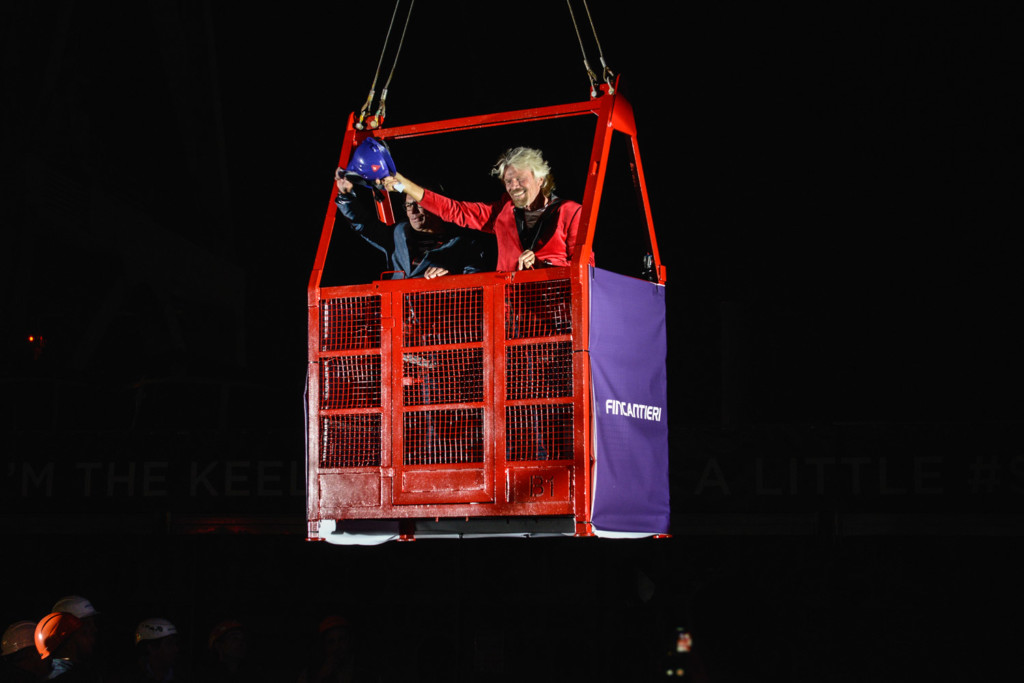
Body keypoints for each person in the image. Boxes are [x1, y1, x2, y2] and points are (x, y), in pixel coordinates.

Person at [383, 146, 592, 272]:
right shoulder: (503, 212)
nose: (514, 186)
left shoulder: (570, 212)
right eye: (508, 181)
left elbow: (585, 269)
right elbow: (454, 210)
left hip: (556, 312)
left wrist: (541, 266)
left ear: (540, 178)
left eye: (520, 179)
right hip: (514, 313)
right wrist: (404, 185)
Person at [334, 174, 495, 280]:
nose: (413, 210)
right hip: (400, 324)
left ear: (435, 205)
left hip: (439, 327)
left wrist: (450, 280)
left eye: (418, 204)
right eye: (408, 205)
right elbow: (364, 225)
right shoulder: (398, 234)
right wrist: (345, 196)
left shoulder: (463, 245)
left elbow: (476, 284)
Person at [33, 612, 98, 682]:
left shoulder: (50, 676)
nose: (91, 638)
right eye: (84, 633)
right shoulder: (74, 677)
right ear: (68, 643)